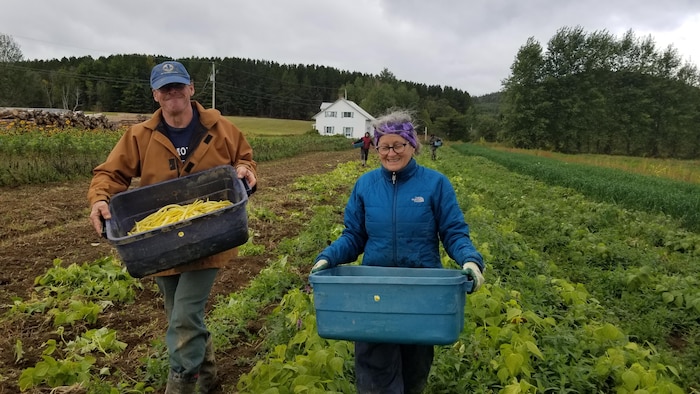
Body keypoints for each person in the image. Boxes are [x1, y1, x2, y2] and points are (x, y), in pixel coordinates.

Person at [87, 61, 257, 394]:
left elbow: (245, 159)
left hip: (211, 236)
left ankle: (180, 385)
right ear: (155, 95)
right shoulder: (139, 135)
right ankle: (208, 381)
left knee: (184, 316)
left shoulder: (220, 127)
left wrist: (245, 169)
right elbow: (109, 175)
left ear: (191, 88)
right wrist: (100, 198)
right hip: (160, 245)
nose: (172, 92)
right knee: (180, 316)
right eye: (165, 88)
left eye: (178, 85)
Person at [311, 109, 484, 394]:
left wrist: (470, 260)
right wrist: (327, 257)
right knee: (375, 377)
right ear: (375, 147)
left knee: (414, 371)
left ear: (412, 144)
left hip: (420, 293)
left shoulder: (435, 184)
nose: (390, 153)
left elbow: (453, 231)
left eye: (398, 145)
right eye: (383, 146)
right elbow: (354, 235)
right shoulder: (365, 185)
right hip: (374, 293)